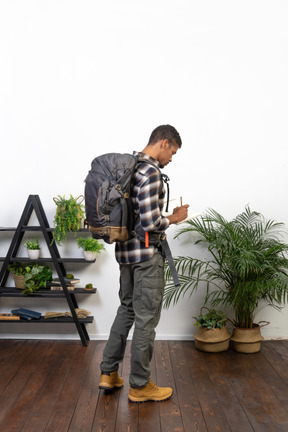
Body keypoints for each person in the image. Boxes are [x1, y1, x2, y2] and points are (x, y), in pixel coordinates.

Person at [99, 124, 189, 402]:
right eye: (172, 152)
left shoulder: (128, 169)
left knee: (126, 310)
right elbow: (150, 223)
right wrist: (174, 218)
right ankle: (140, 386)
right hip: (147, 256)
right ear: (163, 143)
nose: (171, 158)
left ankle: (108, 373)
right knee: (146, 318)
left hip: (125, 254)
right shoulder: (150, 173)